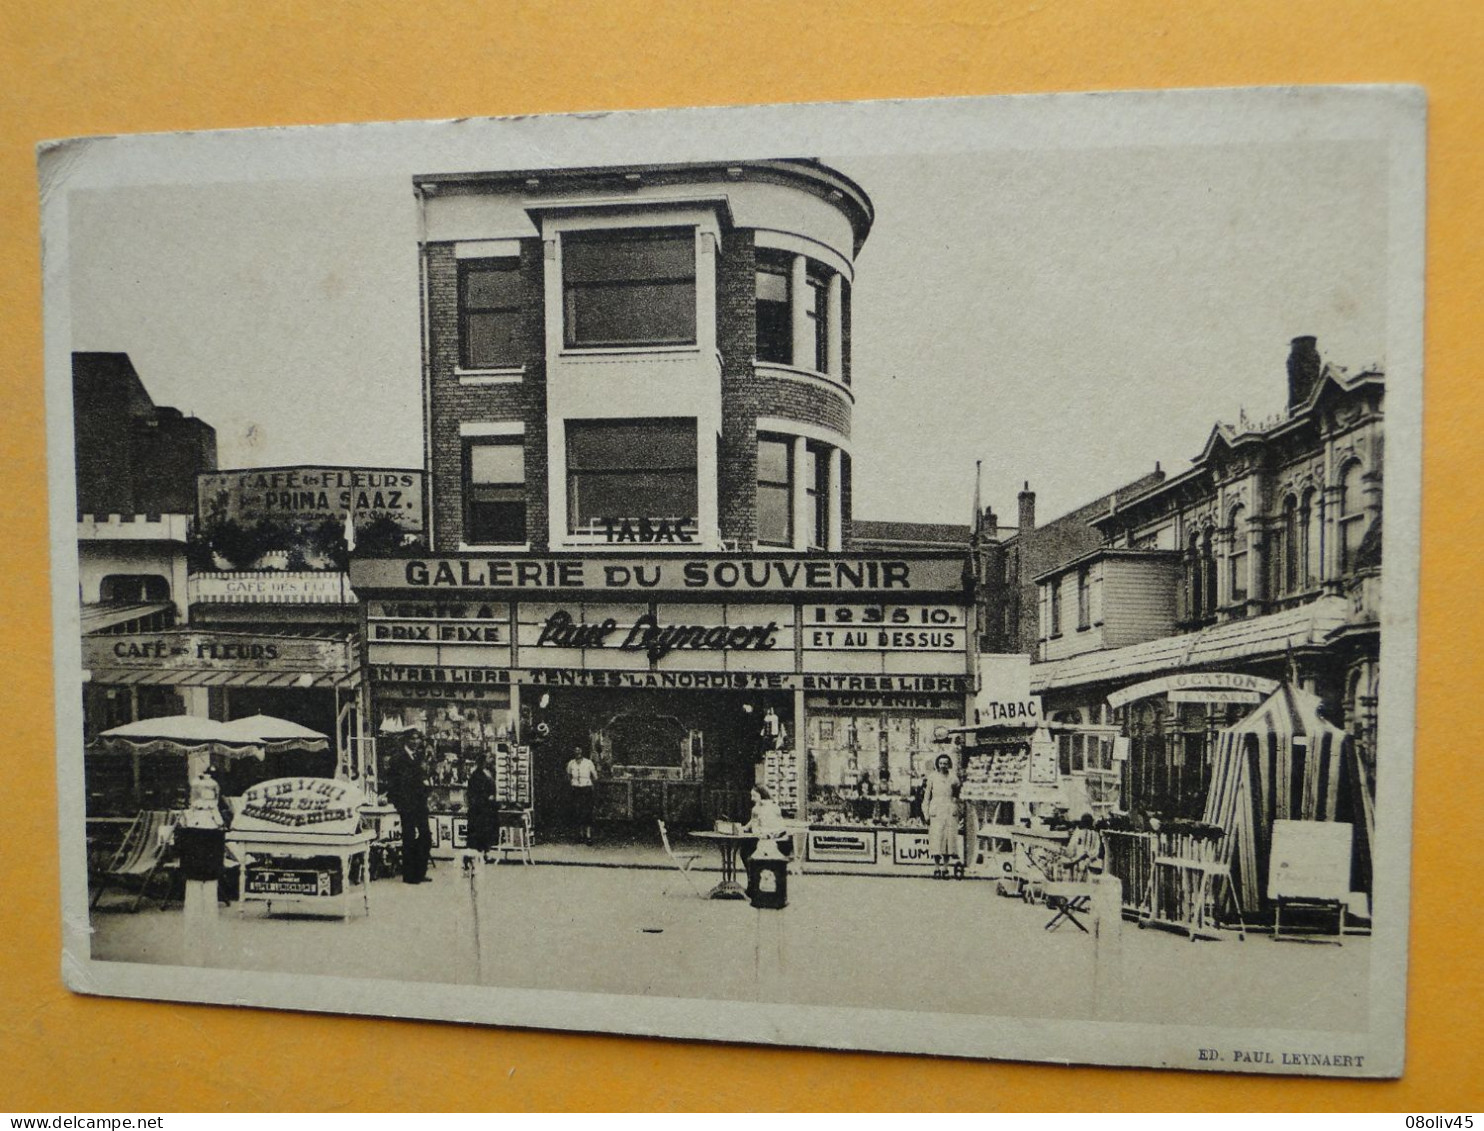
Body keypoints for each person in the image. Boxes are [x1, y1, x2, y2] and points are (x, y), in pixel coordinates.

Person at [384, 733, 432, 884]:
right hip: (407, 805)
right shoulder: (398, 758)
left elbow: (422, 778)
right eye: (412, 738)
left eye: (418, 738)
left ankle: (420, 871)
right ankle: (410, 875)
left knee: (425, 836)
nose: (416, 741)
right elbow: (395, 783)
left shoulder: (417, 757)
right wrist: (400, 803)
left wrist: (426, 791)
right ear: (406, 740)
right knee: (409, 838)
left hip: (420, 804)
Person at [922, 753, 961, 879]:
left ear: (949, 764)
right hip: (936, 812)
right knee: (936, 841)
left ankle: (945, 868)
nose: (943, 765)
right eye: (941, 763)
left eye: (945, 763)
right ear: (937, 764)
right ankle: (936, 868)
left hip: (950, 812)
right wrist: (926, 814)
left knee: (948, 842)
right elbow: (926, 797)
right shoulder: (932, 777)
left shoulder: (954, 778)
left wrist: (957, 808)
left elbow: (958, 796)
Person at [740, 785, 792, 866]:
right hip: (769, 838)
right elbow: (753, 821)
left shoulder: (764, 808)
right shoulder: (769, 807)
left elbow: (778, 825)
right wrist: (745, 828)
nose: (752, 799)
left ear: (762, 795)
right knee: (745, 850)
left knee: (746, 852)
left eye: (754, 796)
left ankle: (752, 875)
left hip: (771, 840)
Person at [465, 750, 500, 863]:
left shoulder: (489, 772)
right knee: (479, 831)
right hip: (480, 808)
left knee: (487, 831)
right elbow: (474, 792)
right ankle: (479, 854)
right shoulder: (477, 775)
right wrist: (486, 797)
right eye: (489, 758)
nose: (491, 760)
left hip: (488, 808)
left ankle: (485, 852)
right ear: (483, 760)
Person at [566, 744, 598, 844]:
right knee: (577, 811)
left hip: (586, 788)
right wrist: (572, 783)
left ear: (582, 752)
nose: (577, 752)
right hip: (576, 788)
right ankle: (580, 835)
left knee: (587, 811)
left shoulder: (588, 762)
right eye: (576, 751)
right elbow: (568, 775)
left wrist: (590, 785)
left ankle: (588, 836)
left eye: (579, 750)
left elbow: (595, 776)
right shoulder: (571, 763)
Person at [1062, 812, 1105, 880]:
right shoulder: (1096, 834)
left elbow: (1070, 850)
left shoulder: (1078, 832)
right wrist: (1089, 856)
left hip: (1078, 866)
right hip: (1092, 865)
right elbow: (1097, 851)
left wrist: (1066, 853)